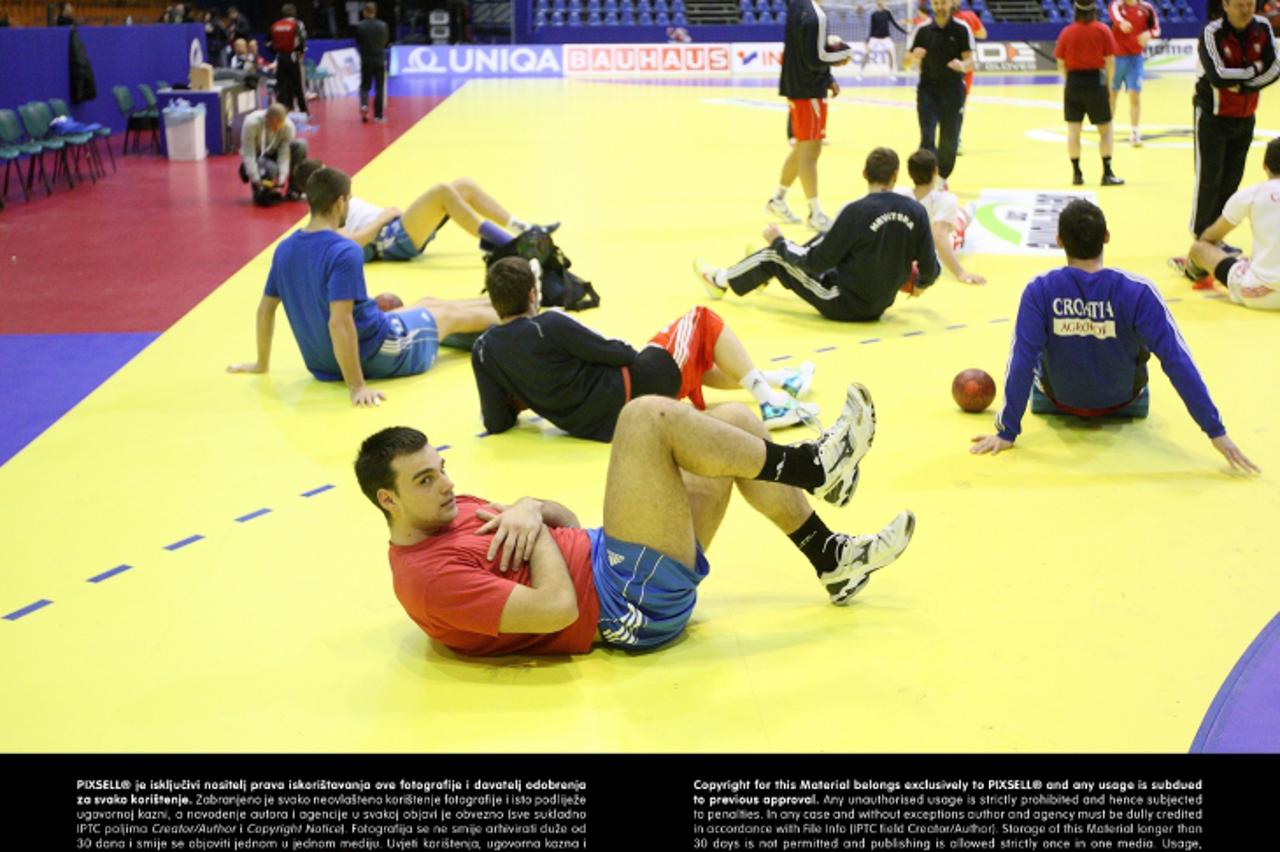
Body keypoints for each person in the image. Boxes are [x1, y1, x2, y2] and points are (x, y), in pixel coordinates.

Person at [355, 386, 917, 656]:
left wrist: (530, 507)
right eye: (425, 480)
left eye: (441, 469)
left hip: (615, 562)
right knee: (644, 416)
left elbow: (565, 522)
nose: (448, 484)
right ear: (389, 500)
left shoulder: (447, 511)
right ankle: (813, 466)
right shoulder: (429, 580)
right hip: (621, 607)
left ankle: (831, 559)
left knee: (737, 420)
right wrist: (535, 538)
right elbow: (557, 610)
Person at [970, 199, 1258, 474]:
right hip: (1124, 402)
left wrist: (1007, 431)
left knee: (1034, 357)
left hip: (1058, 401)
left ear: (1059, 241)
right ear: (1106, 237)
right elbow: (1177, 361)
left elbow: (1021, 360)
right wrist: (1216, 431)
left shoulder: (1040, 290)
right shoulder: (1138, 291)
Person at [228, 166, 501, 407]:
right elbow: (340, 322)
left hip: (323, 364)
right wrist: (357, 386)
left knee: (429, 302)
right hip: (379, 350)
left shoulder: (284, 249)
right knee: (450, 315)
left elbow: (265, 310)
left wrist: (261, 363)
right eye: (348, 200)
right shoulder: (344, 251)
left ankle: (503, 305)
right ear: (339, 202)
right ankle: (522, 314)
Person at [473, 258, 820, 440]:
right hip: (638, 386)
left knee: (692, 357)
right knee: (702, 321)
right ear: (533, 295)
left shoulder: (485, 350)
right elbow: (618, 353)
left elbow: (496, 421)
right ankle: (770, 403)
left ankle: (780, 380)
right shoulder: (547, 325)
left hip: (604, 426)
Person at [696, 147, 940, 322]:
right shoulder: (916, 211)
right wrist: (921, 284)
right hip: (879, 305)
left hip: (841, 302)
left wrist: (779, 242)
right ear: (896, 175)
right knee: (823, 237)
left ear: (865, 174)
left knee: (774, 256)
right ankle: (761, 275)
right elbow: (931, 267)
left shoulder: (855, 211)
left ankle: (719, 280)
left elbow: (817, 261)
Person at [291, 159, 536, 262]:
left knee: (462, 186)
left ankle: (521, 226)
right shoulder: (323, 216)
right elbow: (350, 244)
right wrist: (382, 219)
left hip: (397, 227)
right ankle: (510, 245)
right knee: (442, 191)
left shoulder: (334, 199)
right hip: (389, 237)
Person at [1187, 0, 1278, 243]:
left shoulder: (1263, 27)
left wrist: (1245, 85)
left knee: (1231, 181)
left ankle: (1216, 239)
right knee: (1208, 181)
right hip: (1212, 118)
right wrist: (1254, 69)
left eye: (1250, 4)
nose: (1246, 10)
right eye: (1239, 5)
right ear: (1225, 5)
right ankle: (1200, 240)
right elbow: (1218, 75)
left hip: (1246, 117)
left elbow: (1275, 67)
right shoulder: (1212, 33)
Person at [767, 0, 855, 232]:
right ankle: (815, 214)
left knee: (801, 149)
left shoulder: (797, 6)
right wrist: (843, 55)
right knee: (811, 152)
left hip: (797, 88)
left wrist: (828, 78)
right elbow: (815, 59)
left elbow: (806, 50)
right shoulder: (817, 16)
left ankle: (777, 199)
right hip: (808, 91)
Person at [1183, 136, 1280, 310]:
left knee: (1200, 248)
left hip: (1259, 293)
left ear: (1264, 165)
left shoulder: (1253, 194)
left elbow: (1210, 236)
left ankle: (1195, 271)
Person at [903, 0, 975, 183]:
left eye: (943, 2)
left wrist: (962, 65)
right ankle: (926, 180)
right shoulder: (922, 29)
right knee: (927, 136)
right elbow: (904, 63)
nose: (940, 6)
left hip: (953, 91)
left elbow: (971, 62)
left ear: (950, 4)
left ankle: (942, 180)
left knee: (949, 139)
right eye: (936, 3)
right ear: (932, 5)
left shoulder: (961, 28)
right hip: (928, 91)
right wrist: (912, 57)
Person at [1054, 1, 1124, 187]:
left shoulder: (1067, 32)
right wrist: (1108, 86)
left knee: (1073, 131)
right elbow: (1110, 61)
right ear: (1094, 10)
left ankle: (1077, 174)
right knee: (1105, 131)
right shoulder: (1102, 30)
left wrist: (1069, 79)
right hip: (1095, 82)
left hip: (1074, 82)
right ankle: (1106, 172)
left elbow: (1060, 62)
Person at [900, 148, 984, 284]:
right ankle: (970, 209)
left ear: (909, 173)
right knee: (962, 218)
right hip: (934, 251)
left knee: (959, 216)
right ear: (936, 172)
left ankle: (968, 210)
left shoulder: (899, 195)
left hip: (908, 248)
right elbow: (939, 237)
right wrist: (961, 273)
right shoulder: (947, 199)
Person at [1108, 0, 1160, 147]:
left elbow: (1156, 29)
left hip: (1135, 59)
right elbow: (1114, 15)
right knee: (1112, 95)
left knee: (1134, 96)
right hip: (1117, 58)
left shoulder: (1147, 8)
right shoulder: (1117, 5)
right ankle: (1108, 129)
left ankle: (1135, 133)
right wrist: (1121, 23)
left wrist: (1148, 34)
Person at [239, 104, 308, 203]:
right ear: (267, 118)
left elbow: (284, 154)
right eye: (275, 124)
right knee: (271, 169)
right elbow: (248, 153)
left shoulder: (288, 127)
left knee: (301, 145)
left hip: (274, 152)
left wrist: (282, 177)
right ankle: (249, 172)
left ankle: (294, 190)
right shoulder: (251, 124)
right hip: (258, 155)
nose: (278, 127)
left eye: (280, 124)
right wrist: (255, 178)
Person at [270, 3, 309, 115]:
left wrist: (276, 51)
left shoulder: (275, 25)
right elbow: (302, 38)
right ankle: (303, 111)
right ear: (294, 13)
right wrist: (300, 53)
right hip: (293, 57)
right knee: (298, 84)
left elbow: (269, 42)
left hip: (280, 57)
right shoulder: (297, 24)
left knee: (282, 85)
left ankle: (282, 111)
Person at [355, 2, 390, 123]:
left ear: (365, 12)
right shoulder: (383, 25)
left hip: (366, 59)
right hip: (379, 59)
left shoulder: (360, 26)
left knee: (365, 85)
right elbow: (385, 42)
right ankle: (378, 116)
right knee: (379, 88)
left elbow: (358, 42)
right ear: (375, 12)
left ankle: (364, 105)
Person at [861, 0, 909, 75]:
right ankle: (861, 70)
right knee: (867, 53)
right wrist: (867, 40)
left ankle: (891, 71)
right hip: (875, 37)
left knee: (890, 53)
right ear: (876, 3)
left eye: (882, 1)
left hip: (886, 37)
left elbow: (894, 24)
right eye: (879, 2)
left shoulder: (887, 13)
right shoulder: (873, 14)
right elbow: (872, 28)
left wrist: (904, 31)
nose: (881, 3)